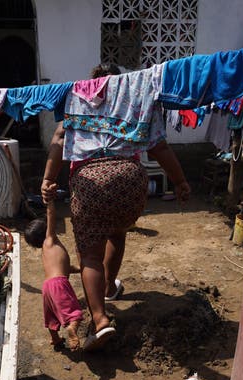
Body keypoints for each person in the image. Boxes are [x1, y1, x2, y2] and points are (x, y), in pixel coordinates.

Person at [41, 63, 191, 351]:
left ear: (91, 82)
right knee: (117, 232)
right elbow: (159, 146)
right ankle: (109, 288)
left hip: (90, 181)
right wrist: (180, 181)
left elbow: (59, 139)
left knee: (90, 255)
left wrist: (48, 179)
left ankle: (99, 319)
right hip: (130, 180)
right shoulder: (138, 97)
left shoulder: (76, 98)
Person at [24, 200, 83, 351]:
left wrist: (81, 269)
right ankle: (72, 329)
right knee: (74, 314)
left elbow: (65, 268)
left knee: (51, 317)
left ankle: (55, 339)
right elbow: (51, 214)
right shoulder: (50, 240)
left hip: (47, 287)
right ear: (46, 231)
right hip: (59, 284)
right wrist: (50, 201)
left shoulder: (46, 251)